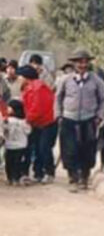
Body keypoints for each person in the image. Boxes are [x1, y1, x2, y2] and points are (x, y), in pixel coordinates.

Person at [56, 49, 104, 192]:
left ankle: (84, 176)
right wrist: (58, 115)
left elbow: (103, 100)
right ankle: (73, 176)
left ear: (88, 63)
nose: (82, 65)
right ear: (74, 64)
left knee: (87, 149)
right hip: (69, 119)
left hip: (89, 120)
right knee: (69, 149)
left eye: (85, 62)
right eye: (79, 62)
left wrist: (99, 116)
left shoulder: (96, 81)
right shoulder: (65, 80)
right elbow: (58, 98)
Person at [16, 65, 57, 184]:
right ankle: (37, 173)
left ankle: (48, 173)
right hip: (36, 123)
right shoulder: (28, 88)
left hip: (46, 123)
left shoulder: (38, 88)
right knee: (32, 148)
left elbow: (37, 108)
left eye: (20, 77)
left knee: (43, 148)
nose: (19, 79)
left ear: (26, 77)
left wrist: (27, 120)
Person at [3, 100, 31, 186]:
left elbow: (4, 130)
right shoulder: (24, 121)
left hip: (11, 145)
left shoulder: (8, 120)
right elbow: (28, 131)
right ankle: (15, 178)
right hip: (20, 145)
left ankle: (10, 178)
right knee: (17, 163)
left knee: (9, 163)